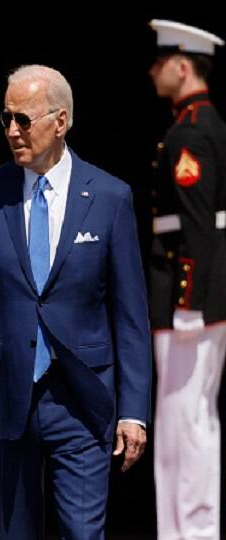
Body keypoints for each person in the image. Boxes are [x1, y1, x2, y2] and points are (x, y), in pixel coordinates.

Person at [0, 65, 152, 539]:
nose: (12, 131)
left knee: (82, 533)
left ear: (60, 121)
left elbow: (130, 313)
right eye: (6, 118)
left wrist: (133, 411)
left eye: (24, 119)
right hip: (6, 394)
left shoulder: (111, 197)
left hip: (82, 398)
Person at [148, 20, 226, 540]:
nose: (153, 71)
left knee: (186, 422)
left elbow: (197, 225)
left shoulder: (191, 131)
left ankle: (191, 532)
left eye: (159, 62)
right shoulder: (203, 123)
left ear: (182, 65)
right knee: (188, 419)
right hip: (195, 294)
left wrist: (189, 301)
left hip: (186, 297)